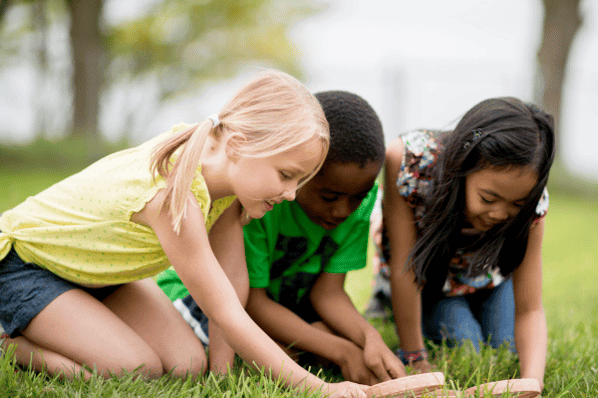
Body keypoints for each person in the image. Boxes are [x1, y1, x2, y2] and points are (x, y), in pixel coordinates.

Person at [0, 70, 367, 398]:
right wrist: (318, 388)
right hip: (26, 268)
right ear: (238, 147)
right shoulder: (174, 195)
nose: (290, 193)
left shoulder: (226, 181)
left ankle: (71, 323)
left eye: (300, 180)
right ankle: (9, 345)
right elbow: (223, 309)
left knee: (187, 364)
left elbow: (231, 278)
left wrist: (222, 375)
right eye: (287, 175)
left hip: (95, 276)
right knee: (136, 367)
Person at [159, 91, 406, 385]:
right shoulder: (265, 200)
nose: (343, 210)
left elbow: (327, 293)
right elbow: (248, 301)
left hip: (280, 304)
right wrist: (342, 351)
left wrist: (369, 338)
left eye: (358, 198)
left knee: (325, 336)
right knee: (298, 350)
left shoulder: (358, 206)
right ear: (303, 173)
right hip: (209, 300)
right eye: (329, 196)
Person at [367, 97, 555, 389]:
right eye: (489, 198)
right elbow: (406, 264)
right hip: (430, 282)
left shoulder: (534, 201)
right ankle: (382, 300)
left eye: (516, 203)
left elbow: (530, 308)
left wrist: (532, 384)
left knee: (506, 348)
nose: (500, 214)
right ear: (463, 168)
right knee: (466, 346)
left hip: (490, 279)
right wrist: (415, 357)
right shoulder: (410, 164)